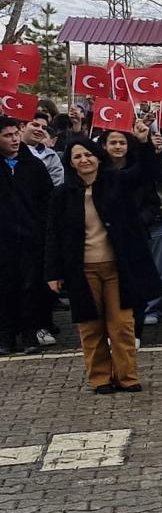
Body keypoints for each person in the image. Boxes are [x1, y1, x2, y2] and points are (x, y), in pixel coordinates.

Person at [43, 124, 162, 394]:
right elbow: (53, 235)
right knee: (90, 326)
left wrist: (143, 143)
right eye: (77, 157)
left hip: (118, 267)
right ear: (70, 163)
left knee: (122, 325)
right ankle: (100, 378)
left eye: (88, 154)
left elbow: (147, 172)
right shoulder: (62, 195)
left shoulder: (116, 182)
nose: (84, 160)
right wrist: (52, 272)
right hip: (82, 269)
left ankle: (127, 376)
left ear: (98, 157)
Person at [1, 117, 60, 356]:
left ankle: (29, 333)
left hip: (30, 239)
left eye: (16, 134)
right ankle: (5, 335)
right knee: (4, 288)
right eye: (7, 135)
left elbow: (47, 200)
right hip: (3, 240)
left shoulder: (33, 166)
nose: (14, 139)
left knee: (30, 287)